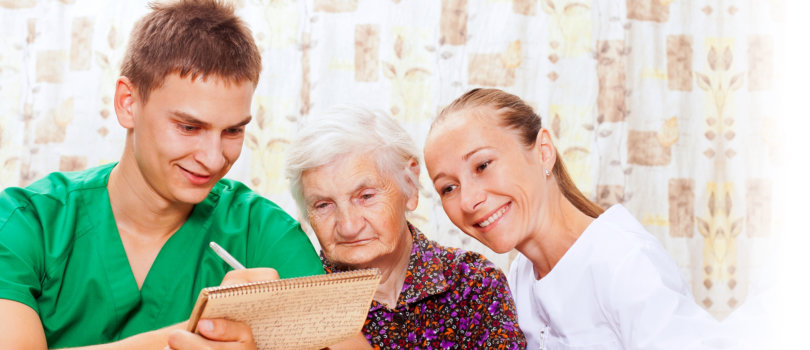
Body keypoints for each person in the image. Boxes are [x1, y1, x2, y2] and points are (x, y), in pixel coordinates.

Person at [0, 1, 324, 348]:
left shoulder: (261, 233)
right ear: (128, 102)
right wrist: (194, 335)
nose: (214, 159)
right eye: (189, 126)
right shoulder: (26, 223)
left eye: (232, 131)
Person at [423, 88, 720, 349]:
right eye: (448, 188)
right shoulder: (521, 275)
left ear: (543, 152)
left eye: (482, 165)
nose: (468, 200)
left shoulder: (625, 263)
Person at [285, 105, 526, 349]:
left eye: (366, 196)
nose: (348, 226)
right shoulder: (292, 306)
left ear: (410, 185)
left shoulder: (475, 284)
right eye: (324, 205)